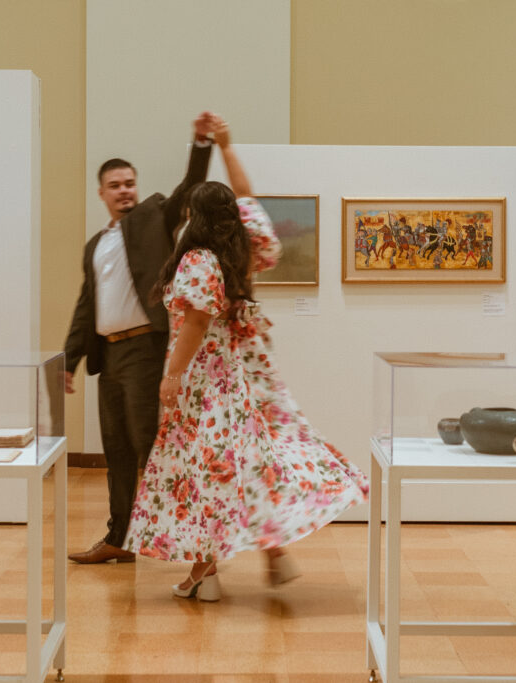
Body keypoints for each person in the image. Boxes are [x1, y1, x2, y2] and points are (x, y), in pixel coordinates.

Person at [124, 116, 369, 601]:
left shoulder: (197, 260)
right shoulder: (245, 246)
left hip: (204, 381)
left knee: (207, 470)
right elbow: (247, 193)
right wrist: (228, 146)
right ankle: (241, 559)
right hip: (242, 373)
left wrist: (171, 375)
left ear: (194, 216)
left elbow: (194, 323)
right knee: (247, 463)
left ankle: (209, 570)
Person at [64, 113, 215, 564]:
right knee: (118, 450)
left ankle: (195, 542)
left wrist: (201, 144)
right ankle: (120, 538)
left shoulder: (154, 215)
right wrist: (68, 361)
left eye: (129, 182)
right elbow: (87, 304)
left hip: (146, 350)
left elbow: (189, 188)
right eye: (115, 185)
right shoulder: (95, 245)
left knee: (154, 446)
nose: (125, 190)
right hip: (108, 358)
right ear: (102, 193)